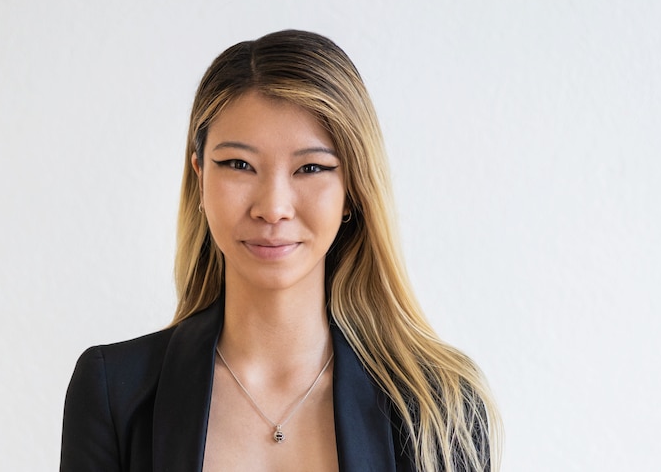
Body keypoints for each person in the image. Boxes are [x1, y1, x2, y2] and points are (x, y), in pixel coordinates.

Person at [60, 29, 500, 472]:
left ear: (352, 189)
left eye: (311, 168)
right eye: (238, 165)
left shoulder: (441, 409)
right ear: (199, 176)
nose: (273, 208)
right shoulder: (112, 393)